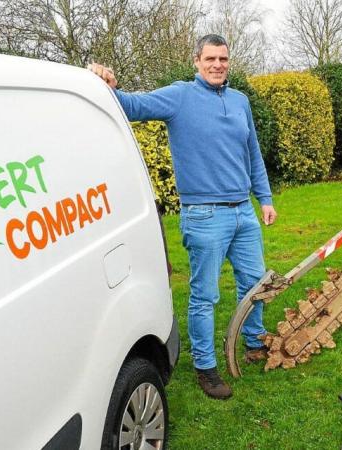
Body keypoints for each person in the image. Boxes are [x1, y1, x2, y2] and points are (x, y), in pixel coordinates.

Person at [88, 34, 277, 400]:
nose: (218, 64)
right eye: (211, 58)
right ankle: (205, 366)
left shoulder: (240, 101)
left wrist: (264, 199)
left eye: (223, 58)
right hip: (205, 215)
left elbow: (252, 153)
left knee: (255, 283)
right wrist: (107, 84)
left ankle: (255, 340)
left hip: (244, 212)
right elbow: (132, 105)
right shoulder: (179, 96)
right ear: (197, 61)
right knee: (205, 295)